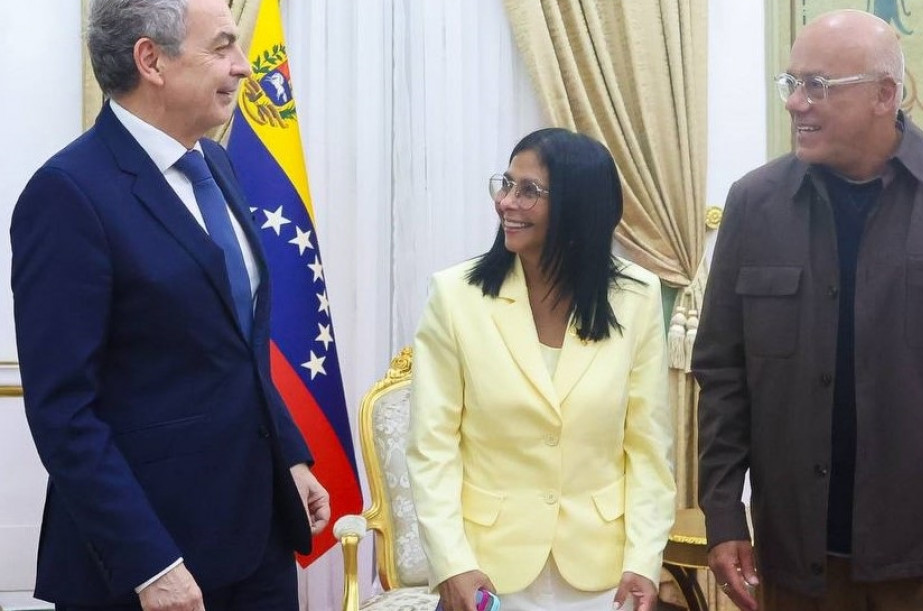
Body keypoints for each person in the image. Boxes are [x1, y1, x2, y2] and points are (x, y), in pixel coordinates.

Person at [692, 9, 923, 611]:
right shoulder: (755, 205)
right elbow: (723, 376)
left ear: (885, 95)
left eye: (817, 85)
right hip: (799, 561)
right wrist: (724, 513)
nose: (796, 103)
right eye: (791, 83)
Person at [10, 0, 330, 609]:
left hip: (257, 536)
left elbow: (237, 347)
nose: (243, 66)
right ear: (151, 61)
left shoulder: (216, 162)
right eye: (222, 46)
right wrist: (149, 564)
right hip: (149, 561)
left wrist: (289, 456)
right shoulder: (67, 194)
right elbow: (64, 411)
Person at [406, 128, 676, 611]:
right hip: (487, 570)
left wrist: (645, 560)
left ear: (579, 206)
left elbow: (648, 446)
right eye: (506, 184)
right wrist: (451, 562)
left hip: (604, 575)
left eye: (529, 190)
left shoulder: (637, 296)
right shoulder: (455, 295)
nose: (506, 202)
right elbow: (432, 446)